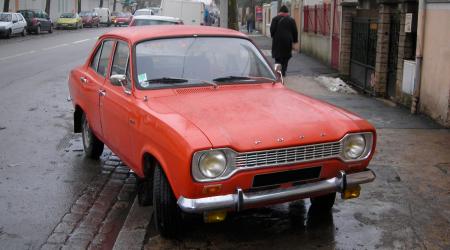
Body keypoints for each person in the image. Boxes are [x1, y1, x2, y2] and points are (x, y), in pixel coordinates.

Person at [270, 5, 298, 76]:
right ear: (287, 12)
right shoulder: (291, 20)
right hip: (287, 41)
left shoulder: (275, 19)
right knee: (286, 57)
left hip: (277, 41)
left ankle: (278, 73)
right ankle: (283, 72)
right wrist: (295, 41)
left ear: (280, 12)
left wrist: (274, 36)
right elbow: (295, 32)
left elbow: (272, 30)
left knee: (278, 58)